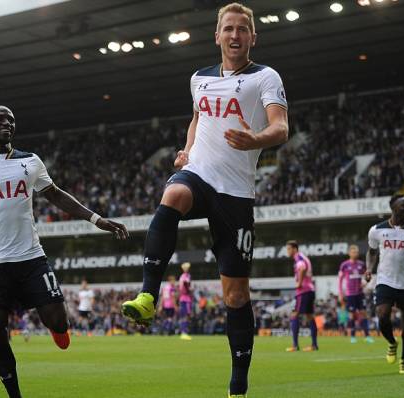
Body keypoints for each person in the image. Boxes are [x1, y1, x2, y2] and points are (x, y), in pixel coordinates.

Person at [120, 3, 288, 396]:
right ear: (217, 36)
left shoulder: (265, 77)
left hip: (236, 195)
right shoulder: (199, 79)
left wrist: (256, 139)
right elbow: (198, 118)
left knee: (235, 294)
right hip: (200, 174)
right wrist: (186, 151)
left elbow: (280, 126)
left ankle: (238, 384)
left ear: (252, 37)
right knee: (173, 192)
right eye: (227, 29)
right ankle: (148, 295)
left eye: (242, 29)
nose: (234, 35)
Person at [0, 105, 129, 398]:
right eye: (0, 119)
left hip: (31, 257)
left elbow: (55, 194)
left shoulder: (30, 161)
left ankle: (54, 325)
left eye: (11, 120)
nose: (7, 124)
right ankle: (14, 394)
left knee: (60, 324)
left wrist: (96, 219)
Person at [365, 194, 404, 375]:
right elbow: (371, 251)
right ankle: (392, 342)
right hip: (385, 281)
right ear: (393, 208)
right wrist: (369, 268)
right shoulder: (376, 230)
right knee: (382, 315)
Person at [285, 241, 318, 352]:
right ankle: (314, 345)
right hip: (310, 290)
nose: (287, 251)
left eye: (289, 249)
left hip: (303, 291)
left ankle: (295, 345)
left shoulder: (298, 257)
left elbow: (302, 268)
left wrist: (299, 282)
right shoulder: (303, 256)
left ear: (294, 249)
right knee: (310, 316)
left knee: (294, 315)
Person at [338, 245, 374, 344]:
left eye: (357, 252)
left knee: (363, 314)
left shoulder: (361, 264)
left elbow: (368, 276)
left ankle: (367, 336)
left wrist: (365, 283)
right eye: (353, 252)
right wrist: (341, 293)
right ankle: (353, 336)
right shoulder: (344, 265)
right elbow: (340, 281)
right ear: (349, 253)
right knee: (352, 315)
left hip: (360, 294)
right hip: (350, 294)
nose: (355, 254)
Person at [178, 262, 193, 340]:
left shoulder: (181, 276)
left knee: (184, 316)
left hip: (182, 298)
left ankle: (183, 331)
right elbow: (186, 284)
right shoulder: (187, 276)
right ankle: (184, 332)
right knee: (186, 316)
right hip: (186, 298)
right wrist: (190, 291)